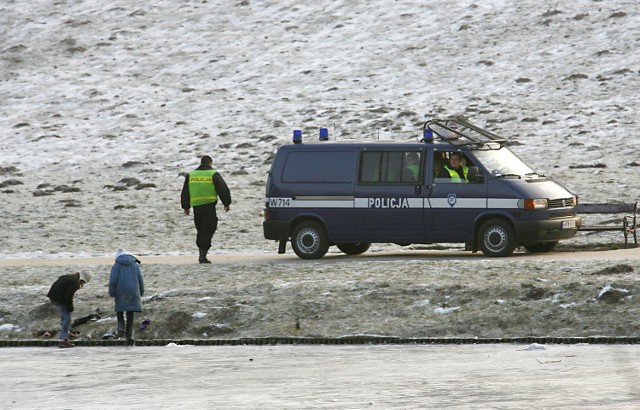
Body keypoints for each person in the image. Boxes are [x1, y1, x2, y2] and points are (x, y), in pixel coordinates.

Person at [181, 155, 232, 263]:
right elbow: (223, 189)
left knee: (200, 230)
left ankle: (201, 252)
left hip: (196, 207)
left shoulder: (191, 175)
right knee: (209, 230)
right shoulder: (213, 174)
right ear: (210, 163)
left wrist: (186, 207)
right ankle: (203, 255)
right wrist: (226, 203)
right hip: (209, 206)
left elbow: (185, 192)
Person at [47, 270, 92, 348]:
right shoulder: (75, 282)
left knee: (65, 316)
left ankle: (66, 332)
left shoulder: (71, 277)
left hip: (53, 296)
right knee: (67, 318)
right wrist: (70, 307)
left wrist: (68, 307)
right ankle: (63, 340)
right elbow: (68, 296)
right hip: (58, 298)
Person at [109, 248, 144, 346]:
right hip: (133, 291)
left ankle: (121, 330)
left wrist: (112, 292)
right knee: (130, 313)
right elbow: (140, 279)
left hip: (121, 291)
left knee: (119, 310)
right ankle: (129, 336)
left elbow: (113, 280)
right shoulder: (135, 265)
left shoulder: (116, 265)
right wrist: (141, 291)